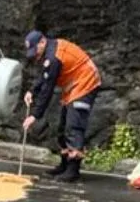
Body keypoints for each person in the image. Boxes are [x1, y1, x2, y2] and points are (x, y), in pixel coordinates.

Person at [21, 28, 103, 182]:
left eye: (36, 50)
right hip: (72, 86)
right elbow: (45, 76)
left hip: (85, 82)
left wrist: (34, 115)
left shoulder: (54, 57)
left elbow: (48, 89)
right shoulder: (49, 54)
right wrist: (32, 91)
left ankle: (73, 170)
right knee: (62, 127)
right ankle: (64, 164)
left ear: (43, 42)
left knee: (73, 125)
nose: (36, 55)